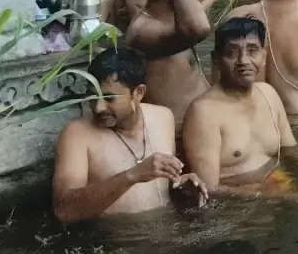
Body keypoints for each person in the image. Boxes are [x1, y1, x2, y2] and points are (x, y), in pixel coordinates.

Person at [51, 47, 204, 222]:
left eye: (109, 98)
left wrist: (182, 186)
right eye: (93, 98)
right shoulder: (77, 135)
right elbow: (64, 210)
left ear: (138, 92)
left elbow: (160, 189)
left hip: (166, 230)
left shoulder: (163, 117)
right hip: (113, 241)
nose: (99, 107)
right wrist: (131, 176)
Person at [181, 15, 298, 194]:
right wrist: (273, 195)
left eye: (252, 51)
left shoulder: (268, 94)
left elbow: (290, 148)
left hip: (275, 187)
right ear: (216, 58)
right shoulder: (204, 112)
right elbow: (208, 189)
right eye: (232, 52)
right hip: (238, 212)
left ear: (264, 56)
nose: (243, 61)